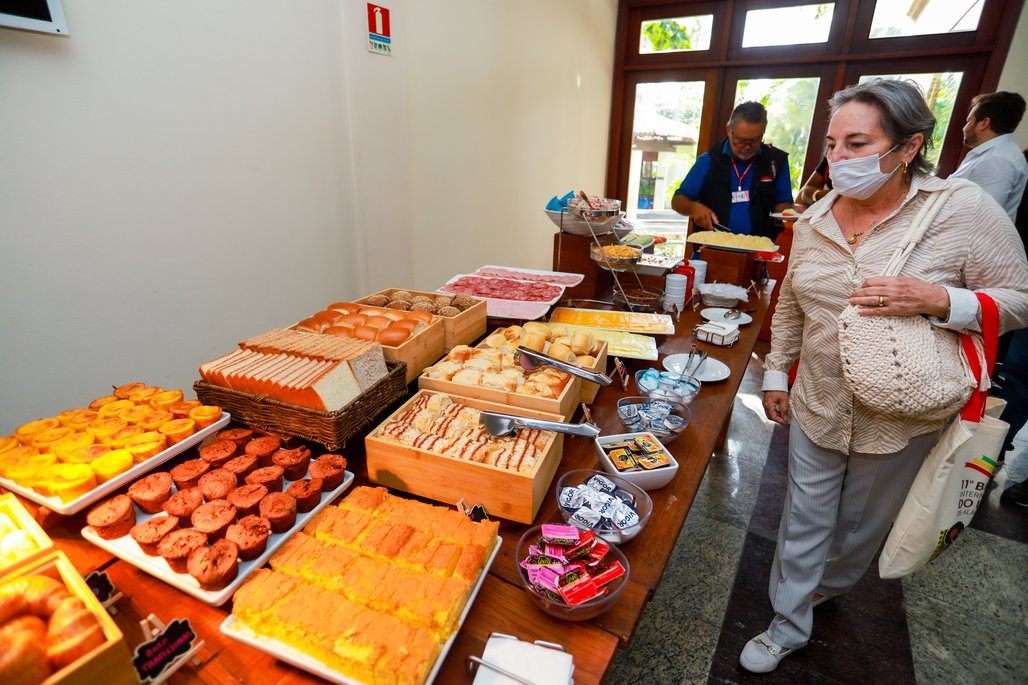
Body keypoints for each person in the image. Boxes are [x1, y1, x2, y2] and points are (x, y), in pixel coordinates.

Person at [744, 79, 1028, 674]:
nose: (838, 159)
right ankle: (787, 620)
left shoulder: (960, 208)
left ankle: (829, 587)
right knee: (804, 515)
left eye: (856, 144)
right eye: (831, 143)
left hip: (905, 408)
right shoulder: (817, 217)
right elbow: (793, 303)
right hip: (818, 397)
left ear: (907, 147)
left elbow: (1020, 297)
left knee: (860, 526)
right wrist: (775, 373)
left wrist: (940, 299)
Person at [671, 101, 793, 238]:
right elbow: (678, 201)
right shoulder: (709, 160)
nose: (747, 147)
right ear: (729, 130)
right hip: (711, 250)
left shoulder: (775, 161)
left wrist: (793, 212)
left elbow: (782, 205)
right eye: (740, 141)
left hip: (758, 251)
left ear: (763, 132)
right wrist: (694, 208)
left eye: (754, 141)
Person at [949, 91, 1028, 221]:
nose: (964, 128)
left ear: (984, 123)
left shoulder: (998, 161)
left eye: (969, 121)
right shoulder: (996, 154)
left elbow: (980, 217)